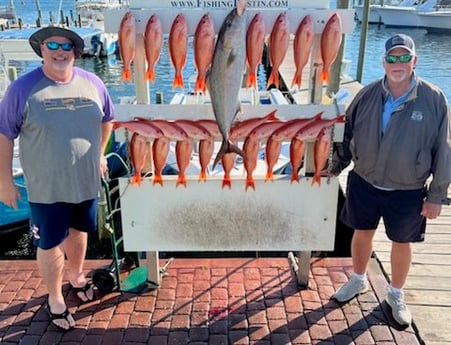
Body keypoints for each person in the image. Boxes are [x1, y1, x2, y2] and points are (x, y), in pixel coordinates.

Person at [329, 34, 451, 327]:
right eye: (392, 58)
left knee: (401, 242)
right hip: (364, 180)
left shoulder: (434, 99)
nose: (398, 63)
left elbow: (444, 149)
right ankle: (358, 280)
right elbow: (345, 137)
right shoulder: (367, 94)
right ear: (384, 62)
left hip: (407, 189)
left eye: (404, 57)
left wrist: (436, 195)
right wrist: (332, 168)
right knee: (362, 232)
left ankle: (396, 294)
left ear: (414, 61)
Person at [0, 26, 114, 331]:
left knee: (79, 231)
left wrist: (101, 154)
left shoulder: (93, 83)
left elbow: (107, 119)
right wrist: (4, 180)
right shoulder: (22, 89)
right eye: (52, 45)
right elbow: (5, 135)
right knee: (49, 243)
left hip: (85, 180)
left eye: (67, 46)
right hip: (45, 186)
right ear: (41, 49)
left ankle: (76, 276)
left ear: (76, 51)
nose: (60, 51)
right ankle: (54, 297)